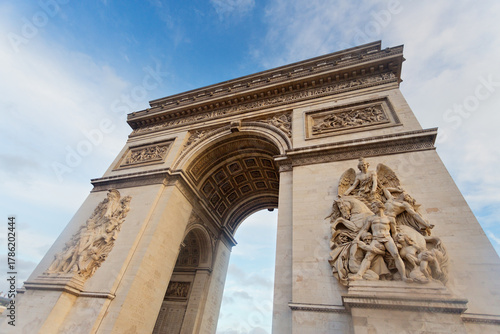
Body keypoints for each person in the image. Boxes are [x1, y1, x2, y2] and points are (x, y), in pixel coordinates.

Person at [351, 201, 409, 282]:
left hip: (387, 238)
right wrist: (357, 238)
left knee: (396, 255)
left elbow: (394, 232)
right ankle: (359, 275)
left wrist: (397, 242)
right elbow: (364, 229)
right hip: (376, 239)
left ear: (380, 207)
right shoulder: (371, 218)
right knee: (368, 256)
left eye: (374, 207)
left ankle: (404, 277)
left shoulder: (390, 219)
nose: (372, 209)